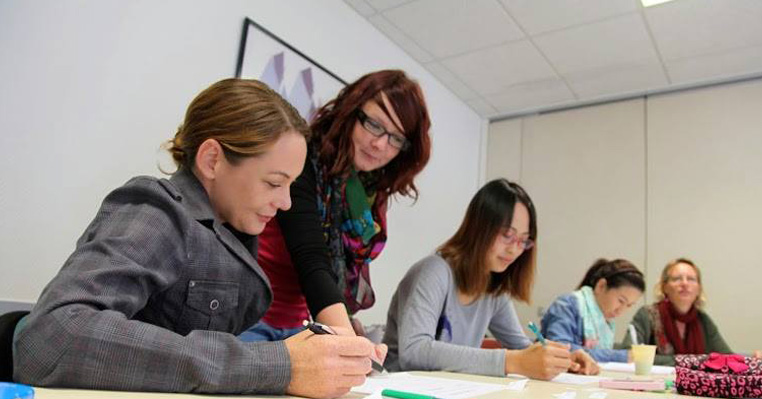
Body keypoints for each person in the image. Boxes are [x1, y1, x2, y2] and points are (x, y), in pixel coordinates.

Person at [13, 78, 381, 398]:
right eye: (273, 182)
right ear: (212, 160)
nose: (285, 203)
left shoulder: (232, 231)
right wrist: (275, 365)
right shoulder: (157, 214)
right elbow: (50, 337)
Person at [241, 70, 431, 341]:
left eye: (396, 138)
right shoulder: (303, 156)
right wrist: (345, 338)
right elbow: (312, 257)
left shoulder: (367, 191)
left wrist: (344, 322)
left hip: (298, 323)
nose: (379, 144)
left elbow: (337, 268)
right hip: (248, 315)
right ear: (352, 112)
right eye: (374, 125)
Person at [382, 179, 599, 380]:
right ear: (479, 228)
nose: (515, 249)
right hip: (401, 389)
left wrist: (562, 358)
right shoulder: (433, 272)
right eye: (507, 235)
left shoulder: (494, 287)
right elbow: (414, 351)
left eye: (523, 241)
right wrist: (510, 361)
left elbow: (521, 348)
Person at [621, 258, 762, 365]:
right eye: (677, 278)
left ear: (698, 288)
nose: (685, 283)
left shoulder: (702, 320)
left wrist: (752, 361)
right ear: (664, 287)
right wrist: (692, 361)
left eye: (691, 279)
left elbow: (726, 358)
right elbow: (629, 354)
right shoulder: (647, 315)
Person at [541, 258, 645, 363]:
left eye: (629, 305)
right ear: (601, 286)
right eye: (621, 301)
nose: (621, 311)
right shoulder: (567, 305)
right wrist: (619, 356)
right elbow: (560, 349)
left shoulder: (606, 319)